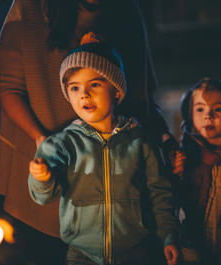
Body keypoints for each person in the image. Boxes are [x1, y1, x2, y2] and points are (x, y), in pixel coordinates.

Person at [0, 0, 175, 239]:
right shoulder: (31, 8)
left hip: (116, 196)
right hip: (46, 179)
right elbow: (9, 88)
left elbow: (142, 97)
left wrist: (164, 138)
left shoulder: (126, 11)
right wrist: (42, 141)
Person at [28, 32, 179, 265]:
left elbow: (160, 193)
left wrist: (169, 236)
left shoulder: (140, 142)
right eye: (74, 88)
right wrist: (42, 177)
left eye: (95, 84)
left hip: (137, 253)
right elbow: (42, 196)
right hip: (82, 256)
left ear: (117, 90)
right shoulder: (63, 144)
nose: (84, 94)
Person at [172, 78, 221, 265]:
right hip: (194, 251)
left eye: (218, 109)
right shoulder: (185, 158)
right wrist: (175, 175)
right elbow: (171, 204)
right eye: (200, 109)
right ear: (190, 115)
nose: (208, 116)